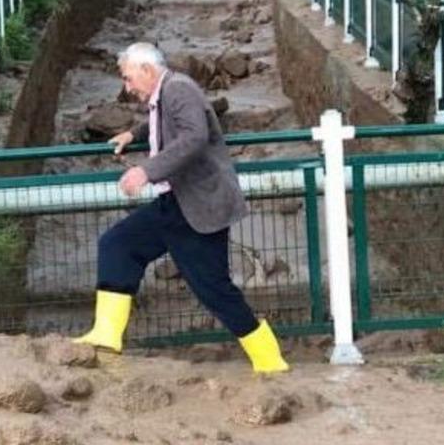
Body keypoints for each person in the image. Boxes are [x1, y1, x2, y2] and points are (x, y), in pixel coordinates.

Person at [73, 42, 289, 374]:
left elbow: (193, 137)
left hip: (198, 206)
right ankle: (106, 334)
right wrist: (133, 133)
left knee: (214, 289)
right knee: (118, 244)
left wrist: (146, 170)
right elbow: (163, 124)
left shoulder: (179, 90)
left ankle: (269, 359)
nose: (128, 88)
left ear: (147, 70)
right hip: (176, 203)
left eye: (129, 79)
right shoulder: (167, 92)